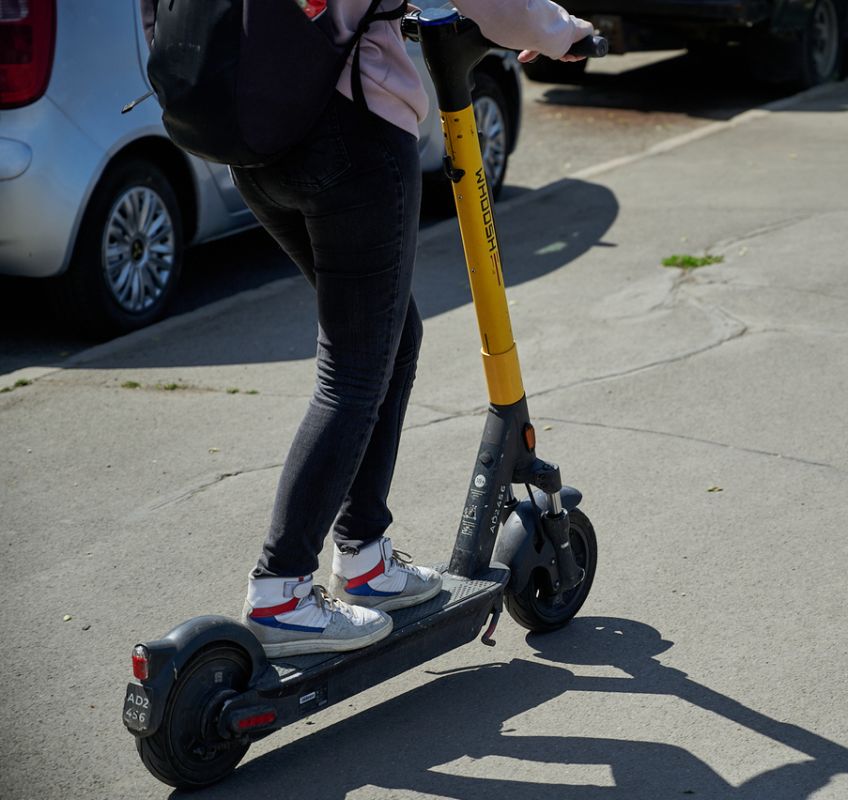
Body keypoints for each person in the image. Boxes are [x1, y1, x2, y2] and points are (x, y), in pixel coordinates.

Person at [141, 0, 594, 658]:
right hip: (351, 138)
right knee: (354, 368)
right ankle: (282, 592)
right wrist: (559, 32)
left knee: (390, 337)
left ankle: (365, 556)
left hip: (256, 137)